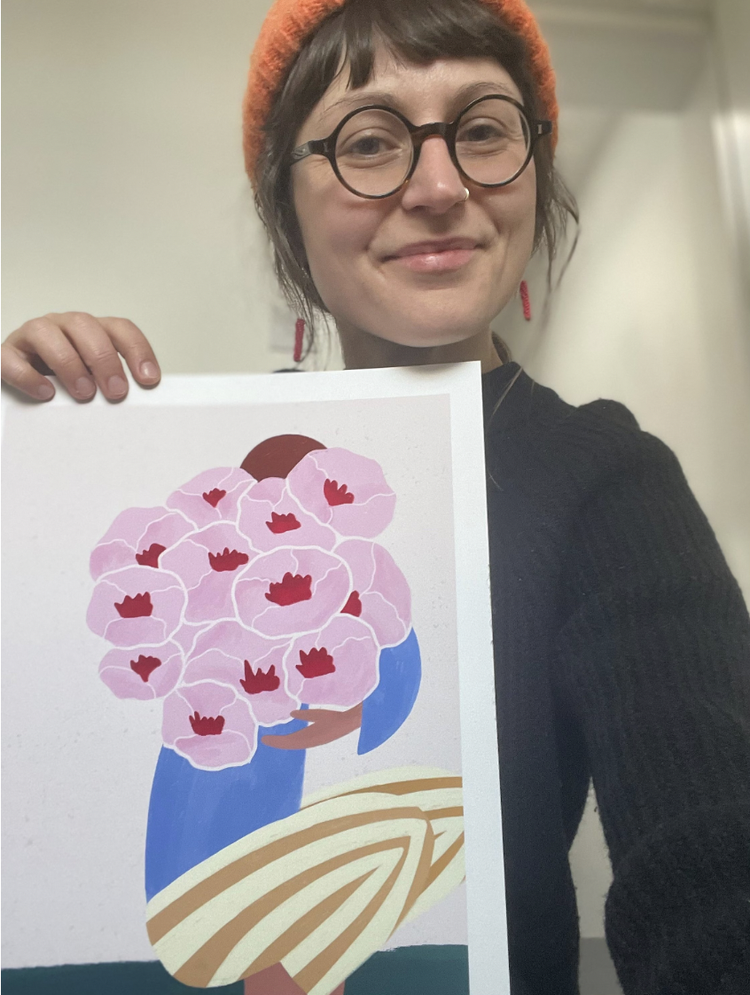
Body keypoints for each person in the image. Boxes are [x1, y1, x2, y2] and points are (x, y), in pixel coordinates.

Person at [2, 0, 749, 993]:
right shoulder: (197, 485)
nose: (440, 186)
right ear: (285, 204)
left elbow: (711, 863)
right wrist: (40, 459)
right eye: (370, 141)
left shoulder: (606, 479)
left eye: (483, 129)